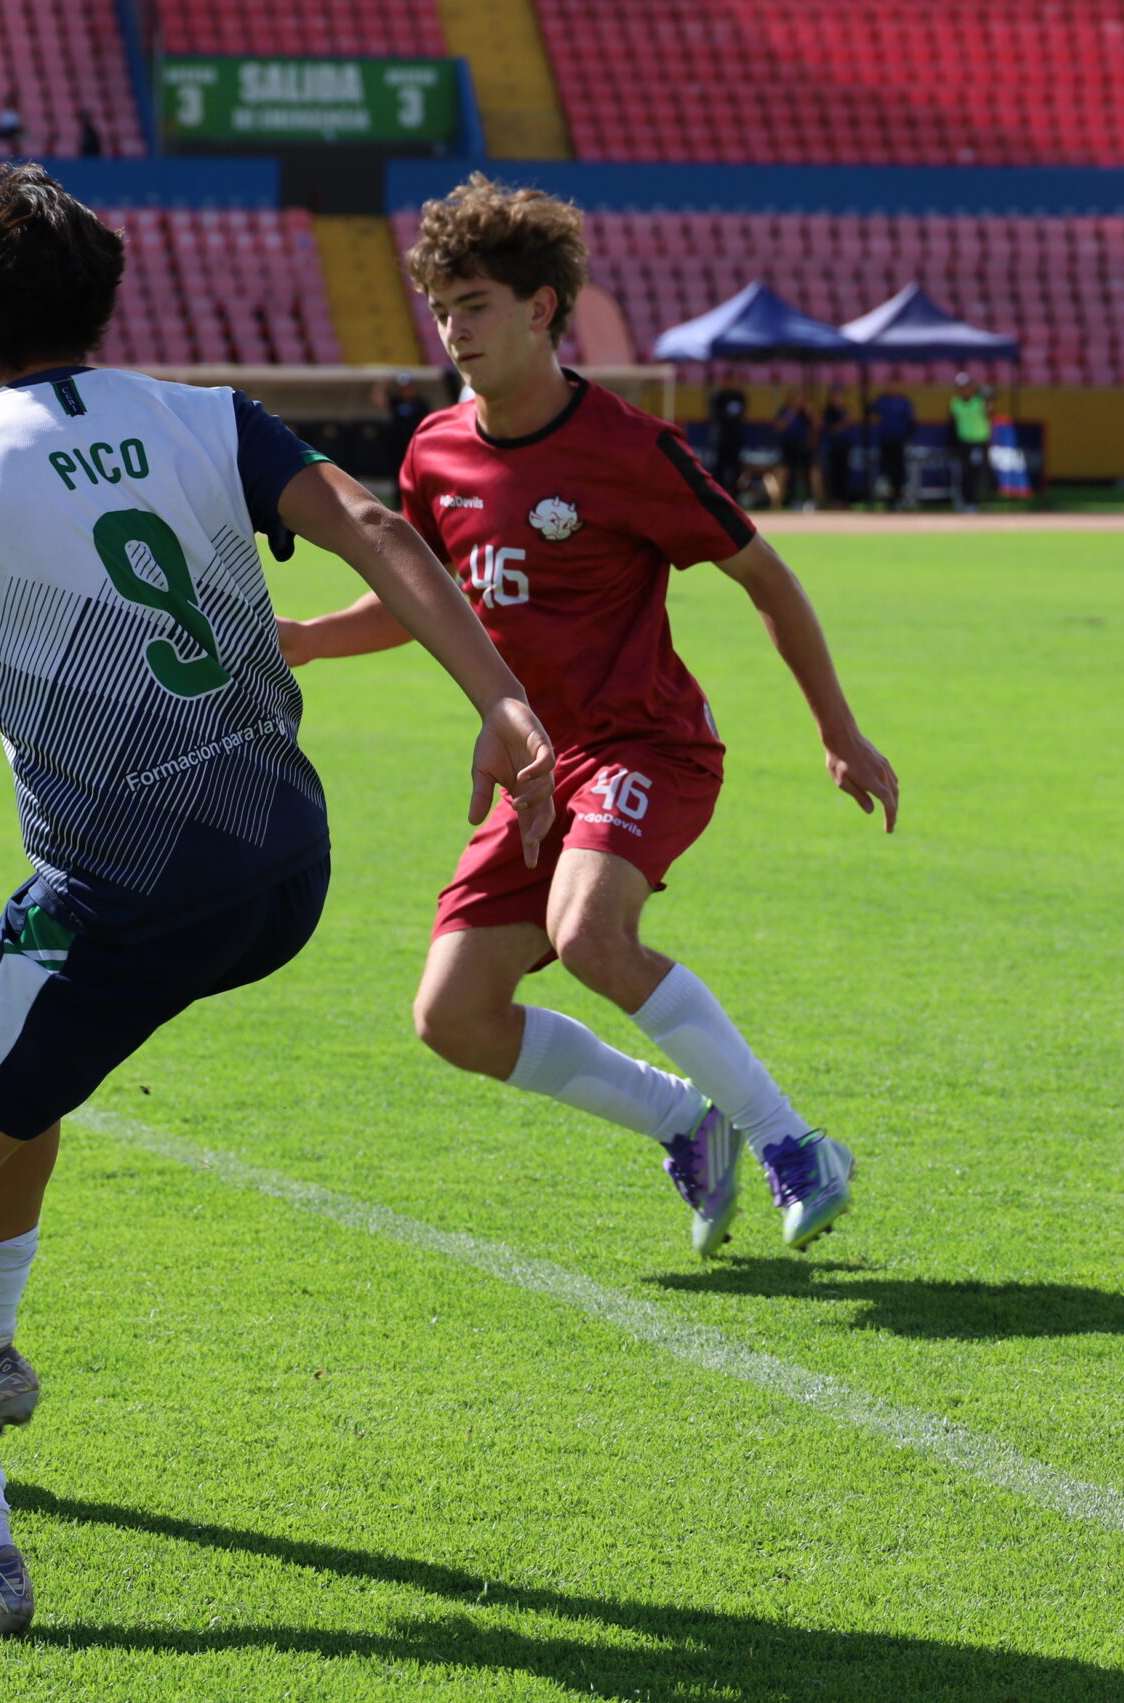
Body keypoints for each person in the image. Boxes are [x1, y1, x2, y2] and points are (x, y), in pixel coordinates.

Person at [0, 163, 554, 1636]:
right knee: (16, 1065)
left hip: (132, 891)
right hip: (283, 862)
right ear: (105, 307)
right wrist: (499, 704)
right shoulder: (205, 412)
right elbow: (376, 523)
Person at [279, 174, 898, 1260]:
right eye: (440, 306)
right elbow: (430, 600)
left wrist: (839, 732)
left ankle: (792, 1142)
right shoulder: (433, 451)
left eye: (473, 303)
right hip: (538, 765)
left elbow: (769, 579)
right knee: (454, 1016)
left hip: (647, 745)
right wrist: (310, 637)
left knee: (588, 931)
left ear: (541, 308)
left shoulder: (629, 450)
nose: (451, 328)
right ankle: (681, 1122)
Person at [948, 372, 991, 511]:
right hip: (964, 442)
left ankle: (973, 502)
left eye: (967, 386)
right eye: (961, 387)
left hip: (978, 442)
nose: (964, 390)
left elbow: (990, 412)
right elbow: (952, 423)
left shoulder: (980, 402)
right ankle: (965, 500)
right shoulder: (955, 403)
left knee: (976, 473)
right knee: (964, 473)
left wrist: (987, 399)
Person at [866, 382, 913, 509]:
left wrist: (907, 438)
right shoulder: (882, 400)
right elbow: (870, 411)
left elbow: (911, 422)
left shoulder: (904, 402)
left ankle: (897, 499)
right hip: (885, 442)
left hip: (899, 442)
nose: (893, 387)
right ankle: (888, 500)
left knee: (898, 471)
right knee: (886, 470)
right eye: (891, 385)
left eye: (896, 385)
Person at [771, 388, 814, 511]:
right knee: (790, 474)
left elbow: (816, 426)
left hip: (804, 445)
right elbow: (778, 427)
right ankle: (790, 500)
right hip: (789, 445)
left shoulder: (805, 413)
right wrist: (791, 413)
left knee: (806, 473)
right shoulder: (785, 411)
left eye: (801, 399)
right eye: (796, 399)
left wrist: (809, 411)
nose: (798, 402)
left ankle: (809, 500)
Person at [818, 386, 857, 508]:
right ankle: (834, 500)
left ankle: (843, 500)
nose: (838, 399)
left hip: (845, 447)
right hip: (832, 448)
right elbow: (830, 429)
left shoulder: (844, 410)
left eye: (840, 397)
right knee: (834, 474)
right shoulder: (829, 412)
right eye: (835, 397)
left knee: (844, 473)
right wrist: (844, 423)